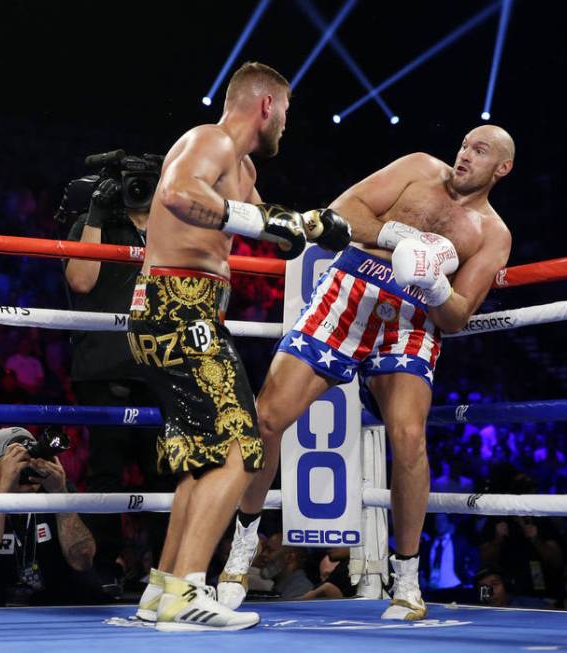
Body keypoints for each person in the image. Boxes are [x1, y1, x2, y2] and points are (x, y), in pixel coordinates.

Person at [218, 124, 515, 621]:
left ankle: (405, 582)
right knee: (266, 419)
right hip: (347, 295)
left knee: (409, 440)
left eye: (479, 150)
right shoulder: (419, 168)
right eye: (464, 145)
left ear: (501, 168)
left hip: (410, 322)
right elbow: (342, 211)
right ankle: (240, 553)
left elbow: (458, 315)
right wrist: (393, 234)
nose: (464, 155)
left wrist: (435, 286)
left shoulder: (492, 233)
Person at [128, 61, 349, 632]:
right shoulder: (210, 141)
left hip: (184, 311)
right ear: (267, 106)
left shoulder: (242, 168)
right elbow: (178, 194)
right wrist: (253, 219)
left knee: (202, 458)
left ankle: (162, 590)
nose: (288, 126)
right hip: (178, 306)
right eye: (288, 112)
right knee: (239, 448)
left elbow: (271, 230)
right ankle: (187, 591)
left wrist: (316, 226)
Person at [62, 150, 172, 592]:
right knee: (106, 473)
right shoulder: (94, 224)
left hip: (158, 365)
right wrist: (96, 211)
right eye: (133, 181)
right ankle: (104, 572)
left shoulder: (173, 226)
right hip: (103, 364)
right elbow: (82, 281)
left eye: (148, 181)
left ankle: (166, 574)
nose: (140, 190)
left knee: (164, 474)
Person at [0, 427, 98, 607]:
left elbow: (82, 560)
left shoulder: (59, 491)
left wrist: (60, 495)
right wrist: (5, 490)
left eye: (31, 459)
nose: (27, 467)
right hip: (6, 617)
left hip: (67, 609)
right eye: (17, 460)